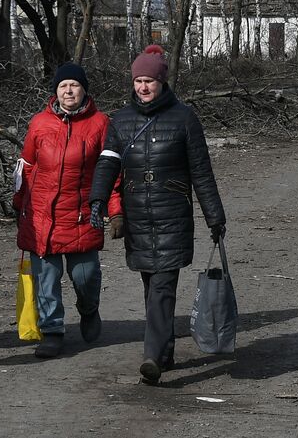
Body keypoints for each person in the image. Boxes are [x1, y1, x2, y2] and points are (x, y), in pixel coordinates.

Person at [89, 44, 227, 385]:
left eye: (149, 80)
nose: (143, 87)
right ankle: (164, 352)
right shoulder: (120, 121)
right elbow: (107, 164)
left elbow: (201, 172)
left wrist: (215, 217)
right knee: (151, 285)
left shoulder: (184, 119)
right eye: (138, 80)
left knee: (163, 286)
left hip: (172, 217)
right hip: (138, 217)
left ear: (162, 81)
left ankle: (151, 357)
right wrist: (97, 201)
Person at [14, 62, 124, 358]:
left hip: (82, 216)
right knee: (46, 280)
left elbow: (111, 171)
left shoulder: (101, 123)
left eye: (74, 85)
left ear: (84, 89)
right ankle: (52, 331)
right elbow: (26, 167)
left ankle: (89, 310)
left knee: (85, 277)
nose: (68, 90)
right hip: (42, 217)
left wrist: (115, 211)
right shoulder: (39, 123)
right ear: (56, 92)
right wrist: (18, 205)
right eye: (63, 86)